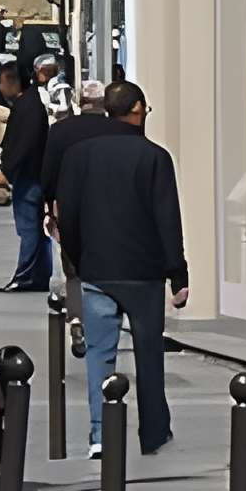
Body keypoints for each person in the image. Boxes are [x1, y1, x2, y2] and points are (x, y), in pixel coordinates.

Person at [56, 81, 188, 459]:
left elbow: (69, 215)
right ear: (138, 109)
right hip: (143, 272)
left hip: (97, 267)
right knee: (149, 353)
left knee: (99, 354)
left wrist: (77, 258)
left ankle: (100, 433)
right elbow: (167, 218)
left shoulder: (78, 155)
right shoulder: (154, 157)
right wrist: (177, 273)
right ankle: (154, 430)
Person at [43, 79, 108, 357]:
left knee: (72, 268)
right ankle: (100, 320)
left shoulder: (61, 131)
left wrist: (49, 207)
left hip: (69, 205)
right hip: (106, 206)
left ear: (80, 102)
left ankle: (77, 319)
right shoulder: (115, 129)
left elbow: (48, 174)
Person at [0, 59, 53, 291]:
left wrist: (6, 170)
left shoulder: (27, 108)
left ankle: (26, 275)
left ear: (12, 83)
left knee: (29, 227)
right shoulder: (31, 104)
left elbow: (23, 144)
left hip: (29, 177)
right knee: (37, 228)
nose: (0, 88)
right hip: (34, 175)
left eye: (2, 82)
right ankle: (39, 274)